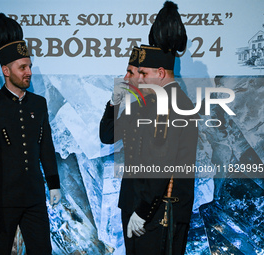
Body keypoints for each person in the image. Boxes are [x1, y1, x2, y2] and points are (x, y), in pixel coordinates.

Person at [100, 2, 198, 254]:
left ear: (161, 72)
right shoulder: (148, 102)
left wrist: (143, 211)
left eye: (143, 73)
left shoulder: (173, 103)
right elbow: (108, 136)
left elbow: (161, 163)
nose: (138, 79)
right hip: (138, 203)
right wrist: (115, 102)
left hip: (159, 209)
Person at [0, 13, 61, 255]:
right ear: (6, 70)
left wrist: (53, 184)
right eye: (23, 67)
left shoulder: (38, 103)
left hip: (35, 197)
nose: (29, 71)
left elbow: (45, 145)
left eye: (29, 66)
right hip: (2, 199)